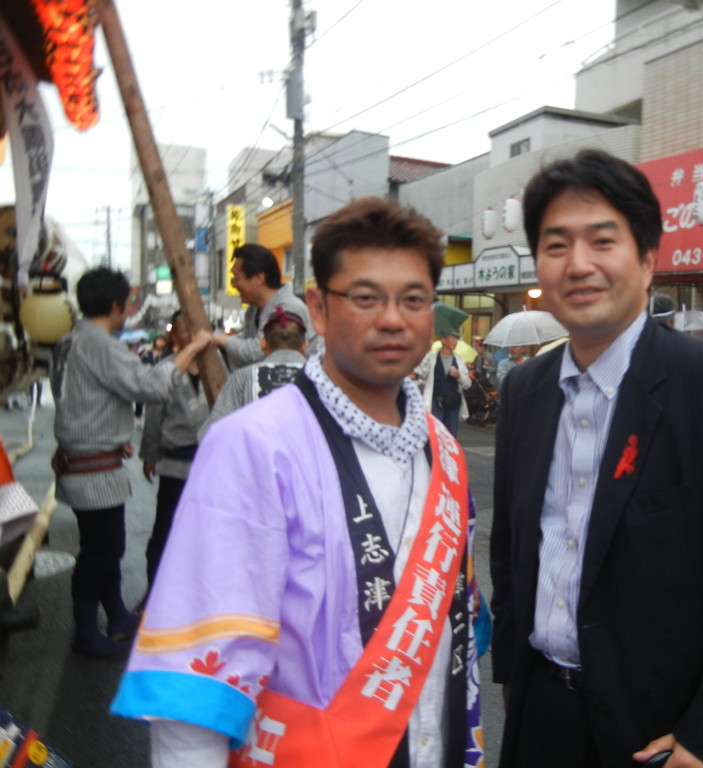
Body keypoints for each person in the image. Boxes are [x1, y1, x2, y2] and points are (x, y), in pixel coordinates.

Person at [112, 197, 485, 768]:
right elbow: (198, 690)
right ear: (318, 308)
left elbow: (457, 637)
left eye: (413, 299)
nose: (392, 318)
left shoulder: (448, 452)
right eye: (365, 297)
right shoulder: (251, 446)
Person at [490, 149, 703, 768]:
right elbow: (511, 549)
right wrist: (513, 674)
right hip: (542, 716)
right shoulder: (525, 391)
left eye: (602, 240)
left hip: (669, 734)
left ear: (647, 259)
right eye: (556, 245)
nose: (578, 263)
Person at [51, 267, 211, 658]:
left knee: (105, 546)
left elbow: (86, 399)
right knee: (101, 551)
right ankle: (86, 633)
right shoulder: (101, 345)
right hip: (92, 466)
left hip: (86, 456)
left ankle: (118, 615)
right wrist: (192, 348)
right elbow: (149, 386)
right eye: (126, 304)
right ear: (116, 305)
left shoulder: (70, 340)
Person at [139, 311, 213, 592]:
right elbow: (153, 417)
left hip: (211, 465)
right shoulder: (166, 369)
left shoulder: (220, 367)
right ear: (174, 336)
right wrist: (150, 455)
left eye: (196, 329)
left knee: (206, 534)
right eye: (183, 330)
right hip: (174, 463)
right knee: (165, 531)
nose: (191, 335)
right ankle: (154, 595)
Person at [199, 306, 308, 439]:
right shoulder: (321, 378)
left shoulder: (242, 377)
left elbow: (213, 433)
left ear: (263, 344)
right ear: (305, 346)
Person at [211, 243, 312, 371]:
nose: (234, 285)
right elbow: (246, 341)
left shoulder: (288, 308)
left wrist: (217, 339)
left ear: (259, 278)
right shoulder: (254, 309)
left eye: (236, 278)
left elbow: (258, 352)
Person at [414, 329, 472, 437]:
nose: (455, 342)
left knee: (451, 435)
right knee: (436, 434)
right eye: (452, 338)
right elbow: (421, 373)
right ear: (443, 340)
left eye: (456, 339)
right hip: (436, 402)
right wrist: (426, 354)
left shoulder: (459, 360)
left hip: (453, 403)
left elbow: (467, 384)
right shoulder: (432, 358)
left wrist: (459, 375)